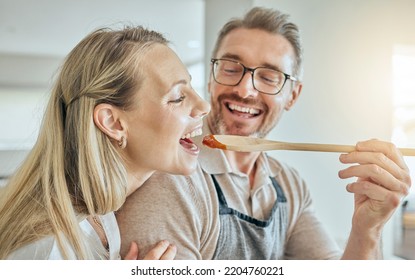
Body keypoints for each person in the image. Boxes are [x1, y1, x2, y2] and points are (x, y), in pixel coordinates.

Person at [117, 7, 411, 259]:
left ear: (293, 95)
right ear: (211, 78)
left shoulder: (289, 183)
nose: (245, 89)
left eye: (269, 77)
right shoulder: (170, 176)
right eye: (231, 68)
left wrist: (368, 228)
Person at [0, 25, 210, 260]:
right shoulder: (49, 251)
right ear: (113, 123)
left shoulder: (102, 217)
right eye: (178, 97)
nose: (204, 106)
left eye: (191, 87)